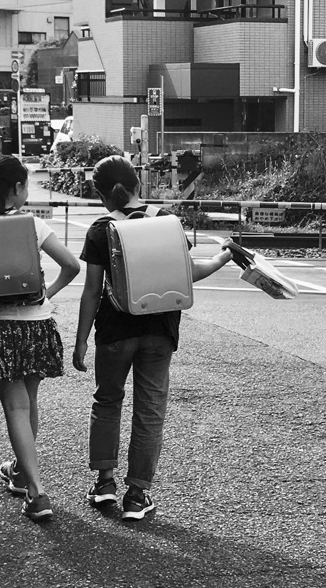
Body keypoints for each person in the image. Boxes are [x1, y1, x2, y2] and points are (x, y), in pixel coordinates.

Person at [73, 154, 232, 521]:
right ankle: (137, 495)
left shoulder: (100, 229)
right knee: (149, 411)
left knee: (107, 401)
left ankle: (104, 484)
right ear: (138, 186)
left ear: (102, 196)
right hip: (159, 331)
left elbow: (91, 292)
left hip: (114, 332)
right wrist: (223, 258)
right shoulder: (166, 222)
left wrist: (81, 340)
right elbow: (189, 273)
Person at [0, 155, 80, 521]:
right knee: (30, 402)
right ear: (15, 189)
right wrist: (46, 294)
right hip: (36, 325)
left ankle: (36, 492)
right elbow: (72, 265)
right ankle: (23, 475)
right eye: (26, 184)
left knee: (16, 407)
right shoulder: (32, 225)